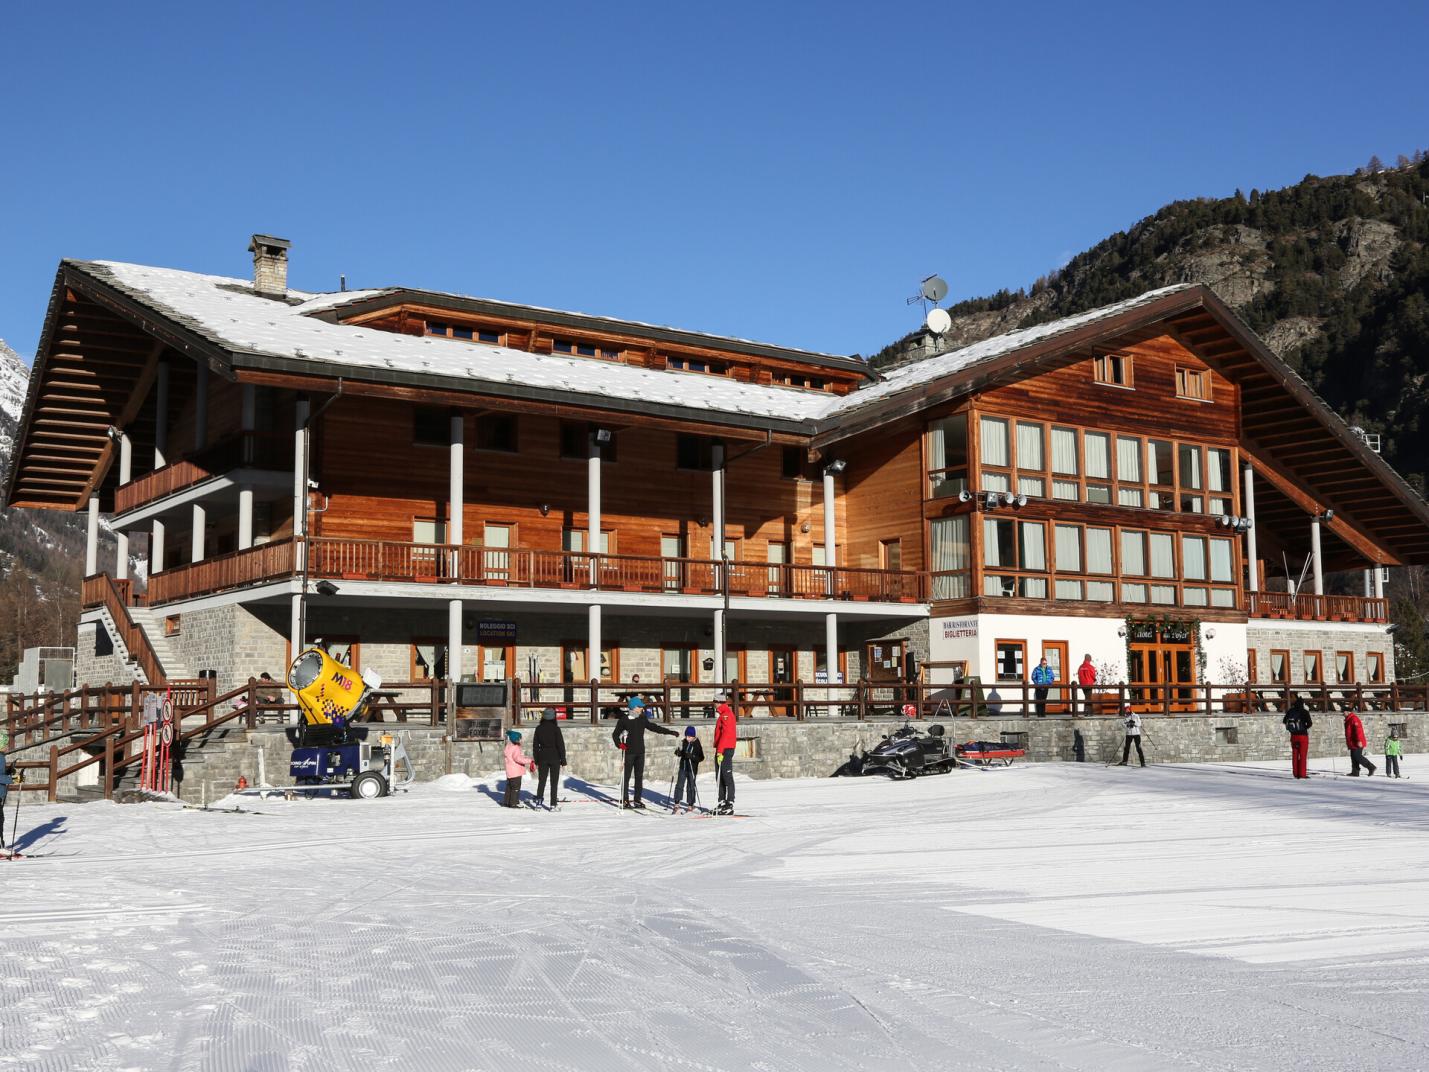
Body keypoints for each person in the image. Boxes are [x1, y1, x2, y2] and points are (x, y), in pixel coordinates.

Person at [612, 696, 678, 808]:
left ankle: (637, 799)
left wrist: (670, 732)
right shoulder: (624, 720)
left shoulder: (642, 718)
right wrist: (620, 744)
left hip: (640, 752)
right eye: (640, 707)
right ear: (633, 707)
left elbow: (653, 727)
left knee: (639, 777)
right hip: (629, 753)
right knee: (626, 777)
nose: (642, 709)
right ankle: (625, 800)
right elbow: (615, 735)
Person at [532, 707, 567, 810]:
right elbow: (561, 745)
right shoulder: (556, 729)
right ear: (553, 717)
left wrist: (536, 759)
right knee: (554, 782)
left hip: (542, 757)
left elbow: (535, 746)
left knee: (541, 781)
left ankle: (538, 803)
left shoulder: (538, 728)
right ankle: (553, 804)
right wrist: (563, 760)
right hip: (555, 757)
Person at [713, 692, 737, 815]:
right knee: (719, 777)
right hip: (721, 749)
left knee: (727, 776)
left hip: (725, 749)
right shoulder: (722, 715)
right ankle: (721, 801)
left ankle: (729, 802)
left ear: (719, 702)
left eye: (715, 702)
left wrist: (720, 751)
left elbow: (726, 735)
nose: (714, 704)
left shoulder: (727, 715)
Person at [672, 726, 704, 813]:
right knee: (679, 785)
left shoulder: (697, 744)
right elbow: (684, 753)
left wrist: (692, 756)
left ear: (693, 736)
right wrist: (679, 753)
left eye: (689, 737)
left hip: (692, 769)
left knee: (690, 786)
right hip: (683, 767)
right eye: (686, 736)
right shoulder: (684, 742)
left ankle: (690, 804)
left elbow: (701, 757)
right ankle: (677, 803)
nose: (687, 738)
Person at [502, 728, 535, 807]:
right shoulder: (516, 747)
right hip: (516, 772)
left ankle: (506, 802)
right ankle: (513, 803)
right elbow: (517, 758)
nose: (521, 740)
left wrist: (524, 757)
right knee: (515, 788)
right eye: (520, 739)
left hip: (510, 771)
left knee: (509, 787)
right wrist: (529, 760)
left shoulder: (508, 746)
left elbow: (515, 756)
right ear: (516, 739)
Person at [1283, 696, 1313, 779]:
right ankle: (1302, 774)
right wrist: (1304, 728)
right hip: (1303, 736)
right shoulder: (1304, 712)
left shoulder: (1290, 711)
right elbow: (1310, 723)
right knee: (1303, 755)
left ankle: (1295, 773)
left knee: (1295, 755)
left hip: (1294, 736)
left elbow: (1284, 721)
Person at [1343, 709, 1376, 776]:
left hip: (1357, 742)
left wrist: (1359, 740)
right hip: (1352, 742)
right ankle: (1355, 772)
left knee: (1357, 756)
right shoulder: (1348, 719)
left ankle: (1371, 767)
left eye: (1343, 712)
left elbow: (1358, 731)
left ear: (1347, 712)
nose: (1342, 714)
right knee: (1353, 756)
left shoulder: (1354, 719)